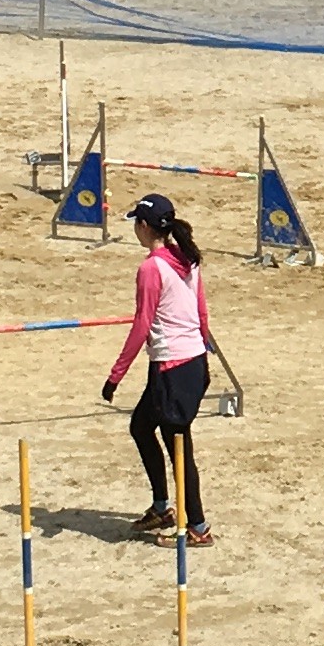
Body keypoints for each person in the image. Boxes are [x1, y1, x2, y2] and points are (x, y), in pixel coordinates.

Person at [102, 193, 215, 544]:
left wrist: (115, 376)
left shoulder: (151, 268)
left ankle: (198, 528)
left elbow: (141, 325)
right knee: (140, 426)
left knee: (179, 448)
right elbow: (202, 311)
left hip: (172, 369)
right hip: (189, 363)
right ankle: (162, 507)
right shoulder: (187, 258)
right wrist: (203, 350)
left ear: (144, 226)